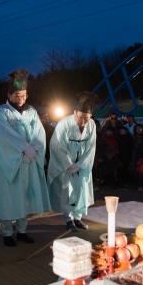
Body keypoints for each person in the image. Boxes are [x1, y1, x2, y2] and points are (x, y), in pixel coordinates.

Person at [0, 69, 51, 246]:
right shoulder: (1, 112)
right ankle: (7, 232)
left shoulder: (31, 111)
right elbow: (4, 136)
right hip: (10, 162)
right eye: (17, 95)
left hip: (29, 161)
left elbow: (39, 132)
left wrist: (33, 150)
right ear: (9, 94)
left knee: (25, 197)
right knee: (9, 197)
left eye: (24, 95)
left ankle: (22, 230)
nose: (21, 99)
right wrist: (25, 148)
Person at [47, 92, 98, 232]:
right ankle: (68, 219)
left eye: (86, 118)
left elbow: (91, 147)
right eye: (81, 117)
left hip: (81, 165)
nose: (83, 122)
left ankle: (78, 217)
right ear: (75, 112)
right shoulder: (64, 124)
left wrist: (81, 164)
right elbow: (57, 146)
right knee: (67, 191)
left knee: (81, 189)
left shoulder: (92, 125)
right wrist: (69, 164)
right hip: (66, 165)